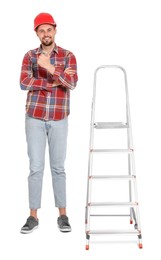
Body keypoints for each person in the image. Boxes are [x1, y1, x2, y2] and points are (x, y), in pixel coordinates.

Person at [20, 12, 78, 234]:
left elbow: (71, 83)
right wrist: (53, 82)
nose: (46, 34)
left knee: (58, 167)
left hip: (59, 118)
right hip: (34, 116)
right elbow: (24, 82)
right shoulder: (29, 56)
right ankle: (33, 216)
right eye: (41, 30)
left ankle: (62, 215)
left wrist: (50, 67)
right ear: (36, 33)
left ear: (55, 30)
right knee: (35, 167)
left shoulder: (68, 55)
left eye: (49, 29)